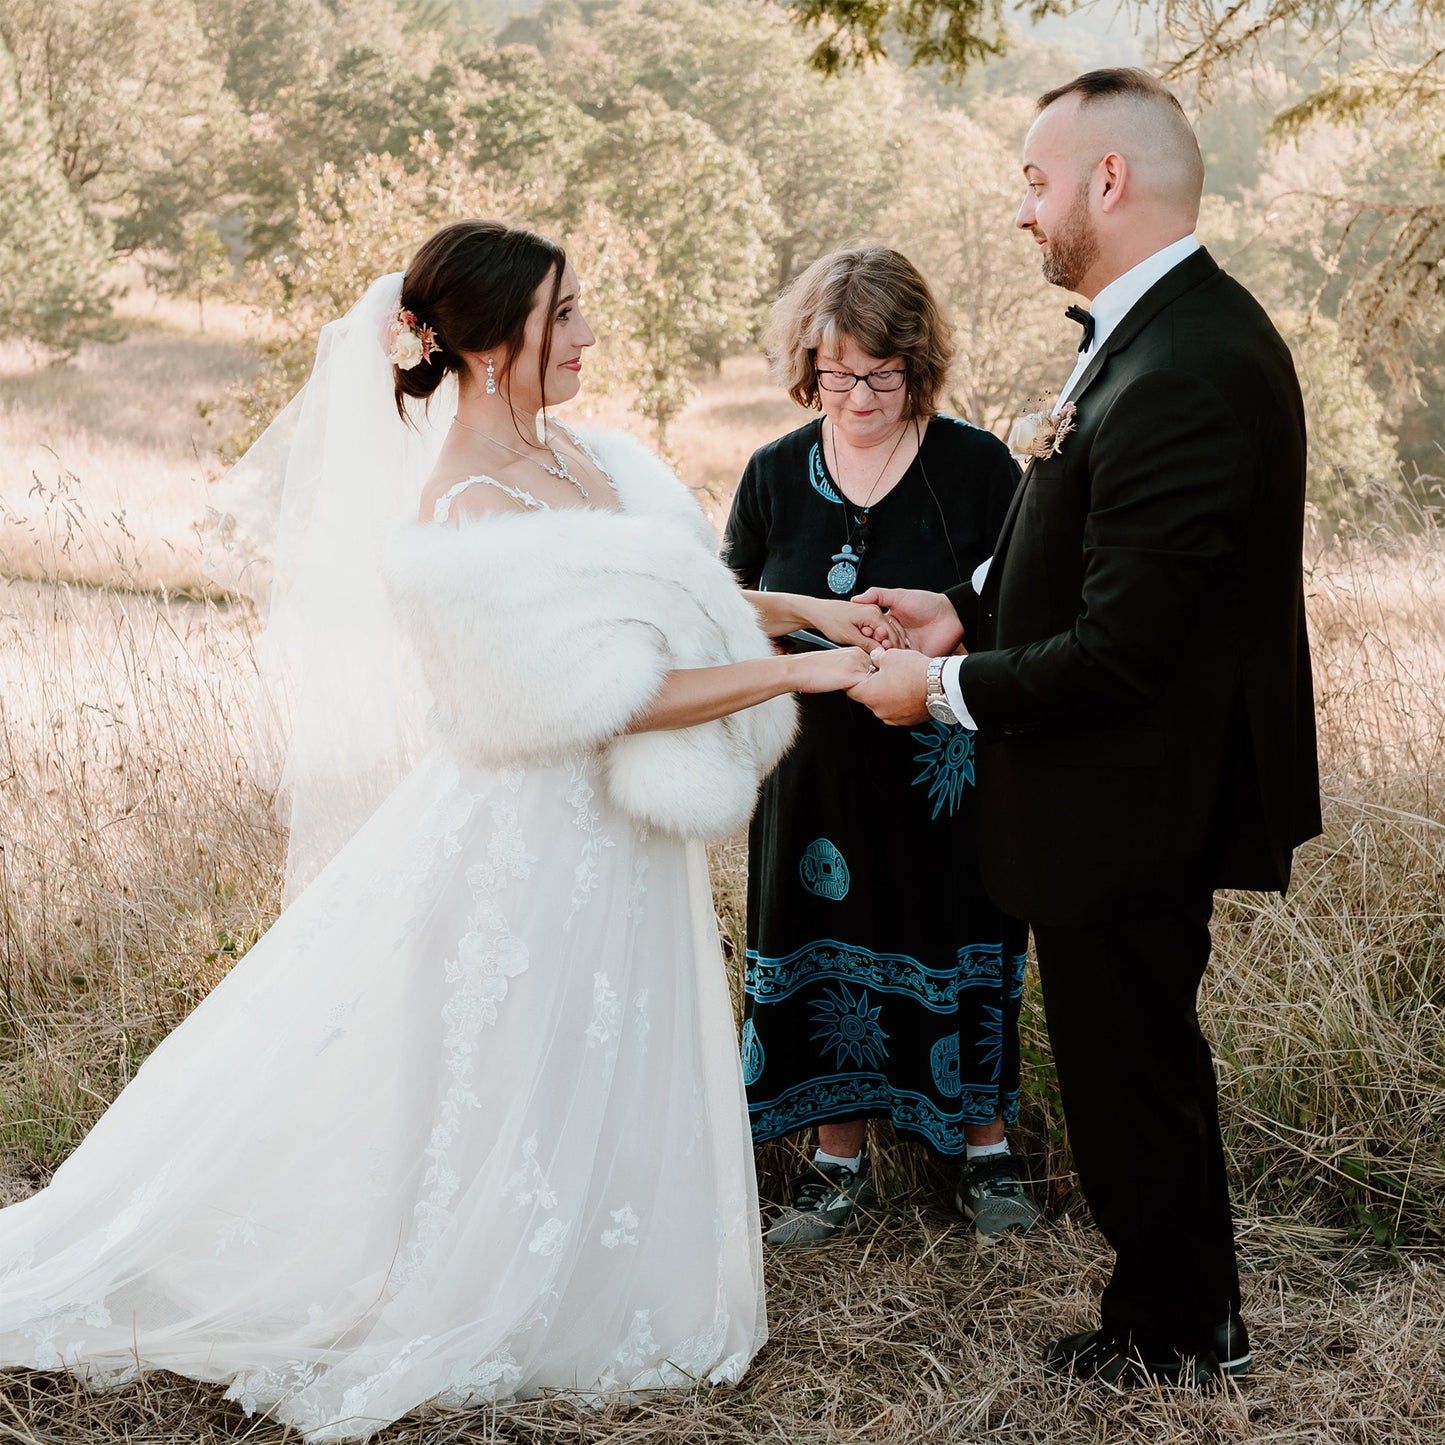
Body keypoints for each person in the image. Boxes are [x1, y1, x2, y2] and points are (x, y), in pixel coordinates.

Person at [0, 220, 889, 1440]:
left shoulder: (581, 453)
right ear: (482, 348)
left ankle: (607, 1262)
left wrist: (804, 609)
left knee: (607, 1049)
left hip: (625, 841)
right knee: (518, 1064)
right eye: (561, 316)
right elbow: (610, 698)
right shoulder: (459, 513)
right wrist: (810, 676)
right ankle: (497, 1286)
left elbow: (666, 591)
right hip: (530, 845)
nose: (586, 333)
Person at [850, 71, 1321, 1386]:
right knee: (1122, 1066)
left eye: (1034, 178)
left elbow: (1123, 648)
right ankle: (1166, 1310)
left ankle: (1181, 1335)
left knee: (1137, 1070)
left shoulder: (1192, 359)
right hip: (1106, 787)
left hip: (1134, 792)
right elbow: (1082, 542)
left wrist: (933, 693)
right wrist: (956, 613)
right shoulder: (1150, 332)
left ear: (1107, 181)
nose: (1023, 210)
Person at [722, 244, 1037, 1248]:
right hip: (810, 779)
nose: (856, 394)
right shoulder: (772, 472)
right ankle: (833, 1163)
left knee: (960, 938)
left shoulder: (977, 466)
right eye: (834, 371)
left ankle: (983, 1153)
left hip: (945, 773)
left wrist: (937, 631)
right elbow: (724, 610)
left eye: (880, 372)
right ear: (805, 362)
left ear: (919, 363)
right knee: (824, 950)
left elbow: (1023, 610)